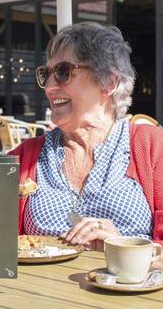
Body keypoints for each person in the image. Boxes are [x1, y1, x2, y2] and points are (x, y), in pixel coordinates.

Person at [10, 22, 163, 253]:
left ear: (109, 82)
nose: (50, 87)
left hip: (129, 287)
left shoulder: (152, 146)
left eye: (63, 72)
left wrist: (124, 246)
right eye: (46, 74)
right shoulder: (24, 157)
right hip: (40, 288)